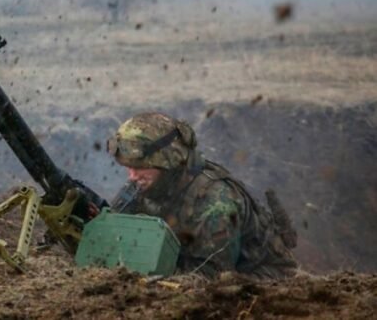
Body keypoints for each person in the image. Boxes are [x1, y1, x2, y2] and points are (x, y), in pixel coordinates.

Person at [104, 112, 297, 279]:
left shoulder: (217, 203)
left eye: (141, 168)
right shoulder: (152, 184)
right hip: (188, 263)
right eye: (129, 167)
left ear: (169, 163)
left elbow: (210, 277)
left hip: (262, 279)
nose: (132, 176)